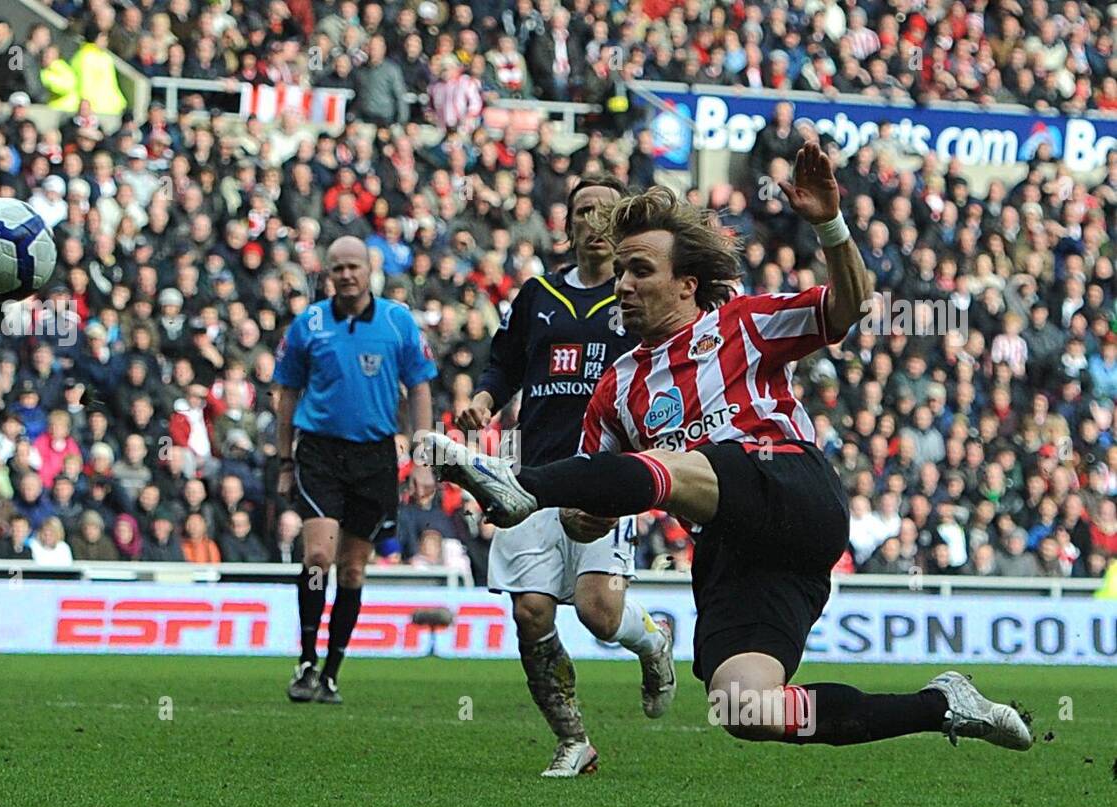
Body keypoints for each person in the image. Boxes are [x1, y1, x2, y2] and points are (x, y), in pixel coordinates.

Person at [430, 154, 1032, 754]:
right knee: (743, 704)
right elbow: (591, 501)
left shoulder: (741, 325)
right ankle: (943, 705)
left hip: (788, 486)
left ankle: (520, 481)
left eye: (640, 270)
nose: (624, 286)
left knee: (681, 463)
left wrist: (831, 226)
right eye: (619, 273)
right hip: (734, 551)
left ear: (687, 284)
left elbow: (846, 310)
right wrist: (583, 515)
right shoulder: (615, 388)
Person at [455, 174, 675, 778]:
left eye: (605, 209)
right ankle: (573, 739)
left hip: (603, 472)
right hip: (535, 477)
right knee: (530, 611)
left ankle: (651, 642)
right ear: (569, 222)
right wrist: (483, 400)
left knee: (599, 615)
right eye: (582, 210)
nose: (592, 219)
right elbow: (503, 364)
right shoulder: (537, 296)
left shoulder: (638, 299)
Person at [274, 235, 437, 704]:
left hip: (375, 456)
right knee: (318, 557)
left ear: (370, 270)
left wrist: (423, 457)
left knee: (352, 569)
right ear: (327, 273)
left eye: (354, 266)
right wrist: (285, 459)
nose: (346, 274)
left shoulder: (397, 322)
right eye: (337, 267)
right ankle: (306, 661)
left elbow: (420, 388)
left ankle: (332, 672)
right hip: (320, 452)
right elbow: (286, 392)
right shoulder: (309, 324)